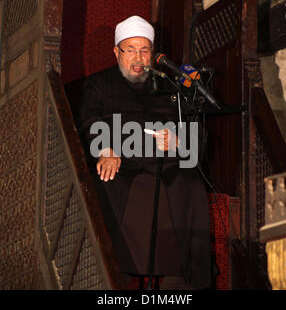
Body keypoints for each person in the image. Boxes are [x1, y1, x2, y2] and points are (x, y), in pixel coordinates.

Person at [78, 15, 212, 289]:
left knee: (190, 184)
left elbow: (196, 124)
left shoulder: (168, 86)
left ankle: (181, 277)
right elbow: (89, 121)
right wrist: (105, 148)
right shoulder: (99, 84)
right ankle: (116, 275)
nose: (138, 58)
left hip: (167, 162)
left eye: (145, 50)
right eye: (131, 50)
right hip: (122, 162)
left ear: (153, 53)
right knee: (108, 181)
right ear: (117, 52)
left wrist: (177, 140)